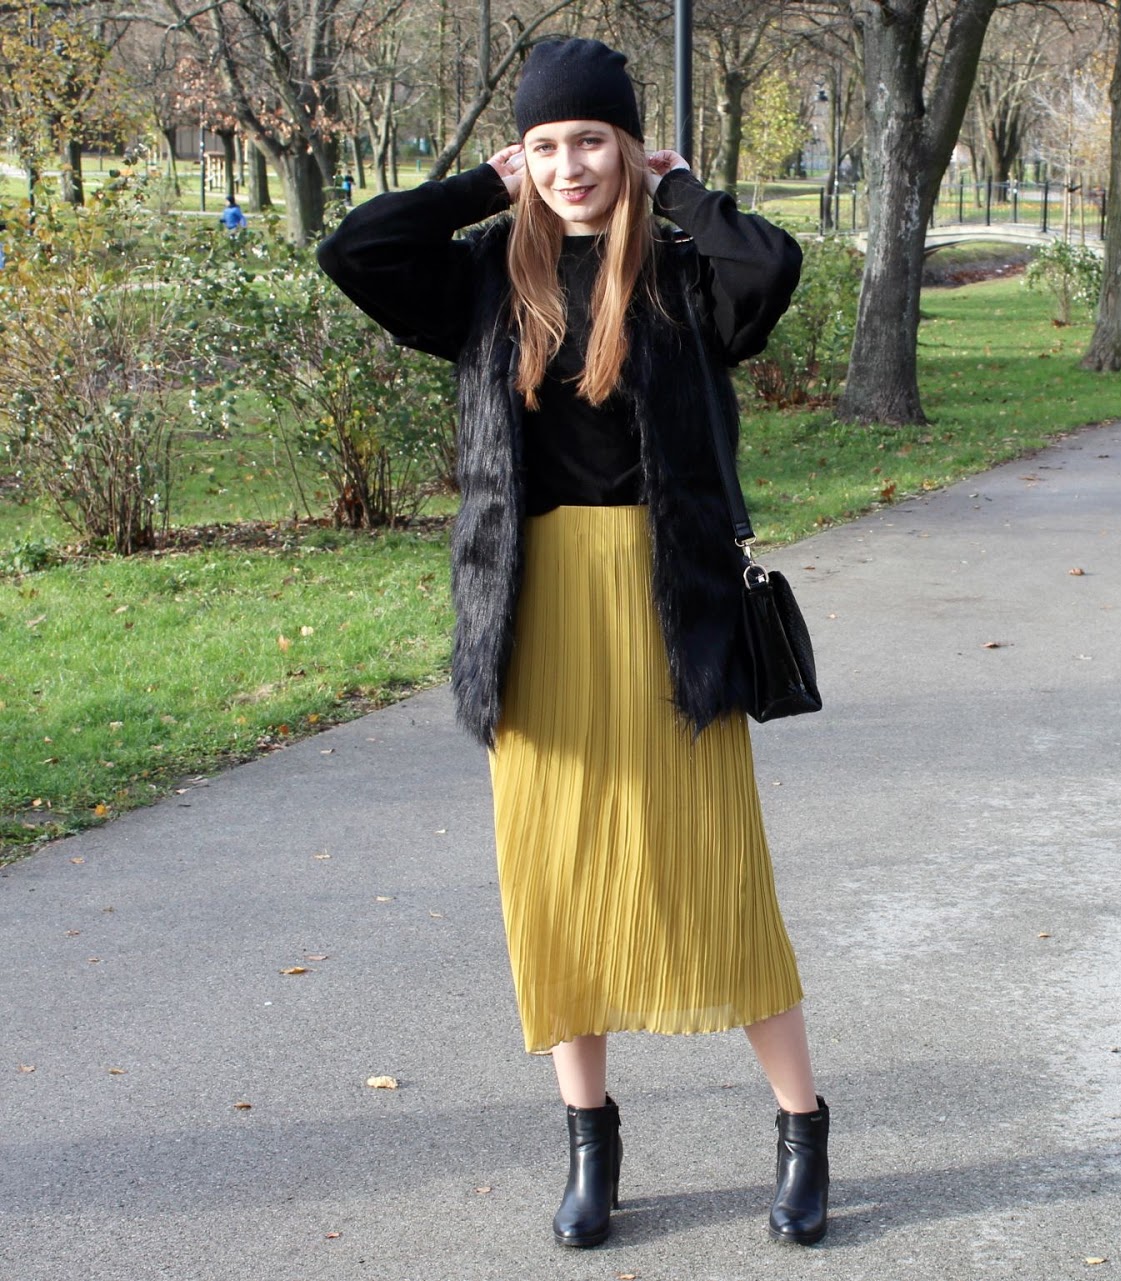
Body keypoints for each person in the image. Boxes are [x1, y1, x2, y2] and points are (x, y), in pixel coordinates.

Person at [316, 36, 828, 1250]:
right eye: (545, 145)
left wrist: (678, 187)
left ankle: (802, 1129)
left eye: (590, 140)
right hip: (535, 611)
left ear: (628, 146)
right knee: (557, 886)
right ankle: (591, 1145)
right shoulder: (486, 275)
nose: (569, 165)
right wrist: (479, 188)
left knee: (718, 876)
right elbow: (356, 250)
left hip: (667, 609)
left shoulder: (683, 276)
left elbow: (771, 266)